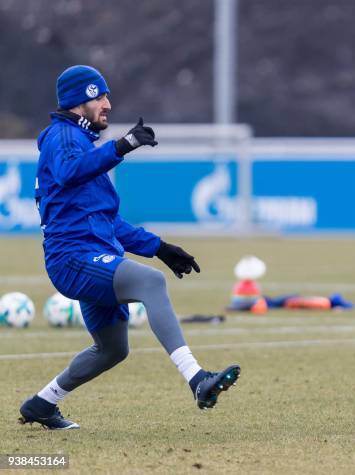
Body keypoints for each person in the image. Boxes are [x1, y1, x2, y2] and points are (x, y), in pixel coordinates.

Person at [19, 65, 240, 430]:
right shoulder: (61, 137)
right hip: (73, 259)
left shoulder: (79, 144)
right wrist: (122, 146)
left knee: (112, 349)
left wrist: (160, 247)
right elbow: (69, 172)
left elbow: (109, 222)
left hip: (91, 256)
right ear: (79, 101)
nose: (107, 103)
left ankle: (41, 404)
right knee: (150, 283)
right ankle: (197, 378)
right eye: (99, 96)